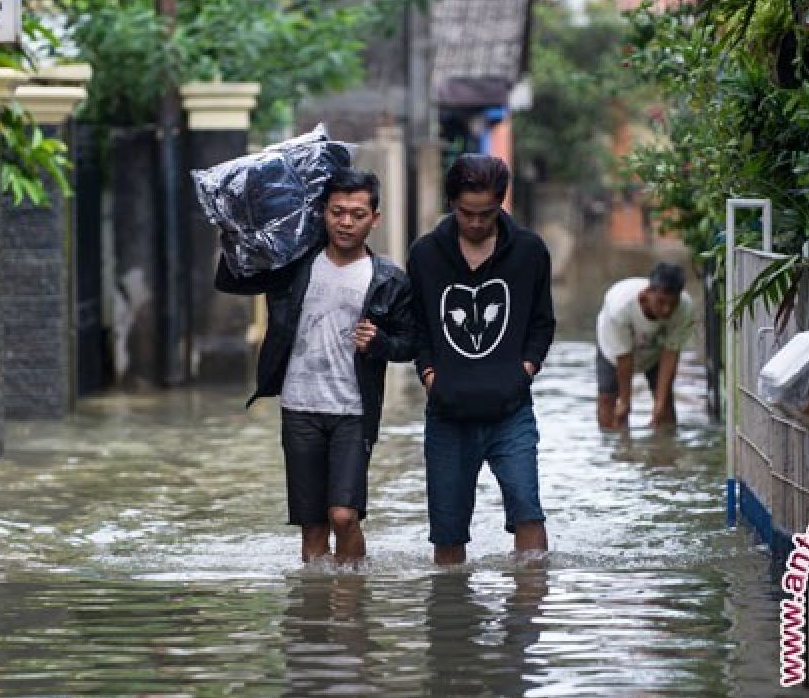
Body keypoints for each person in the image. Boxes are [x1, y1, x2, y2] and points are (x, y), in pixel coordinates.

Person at [215, 168, 416, 564]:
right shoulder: (293, 265)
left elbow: (410, 343)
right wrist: (233, 230)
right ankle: (316, 615)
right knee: (312, 527)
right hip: (299, 406)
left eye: (357, 214)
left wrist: (379, 343)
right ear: (323, 212)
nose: (345, 222)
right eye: (337, 211)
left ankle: (353, 605)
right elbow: (232, 281)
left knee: (343, 516)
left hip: (353, 411)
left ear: (375, 218)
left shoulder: (389, 279)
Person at [407, 154, 556, 566]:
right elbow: (418, 326)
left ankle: (530, 619)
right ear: (452, 203)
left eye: (486, 214)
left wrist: (524, 370)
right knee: (448, 534)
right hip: (447, 413)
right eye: (466, 213)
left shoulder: (528, 251)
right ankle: (453, 621)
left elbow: (543, 323)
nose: (475, 223)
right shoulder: (425, 255)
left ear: (501, 203)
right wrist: (430, 374)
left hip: (511, 411)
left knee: (528, 512)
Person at [595, 262, 695, 430]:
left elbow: (671, 353)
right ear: (646, 294)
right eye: (661, 302)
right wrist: (625, 403)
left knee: (665, 405)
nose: (666, 310)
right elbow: (624, 359)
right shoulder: (620, 307)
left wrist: (659, 405)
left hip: (655, 351)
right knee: (608, 399)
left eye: (672, 304)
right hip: (614, 351)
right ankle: (612, 447)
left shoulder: (684, 307)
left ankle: (665, 449)